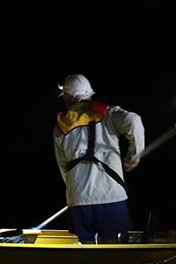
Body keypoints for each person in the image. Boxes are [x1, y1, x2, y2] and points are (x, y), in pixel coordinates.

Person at [53, 74, 145, 243]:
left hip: (78, 199)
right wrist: (134, 156)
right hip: (111, 197)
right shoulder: (108, 114)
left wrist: (75, 190)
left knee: (85, 253)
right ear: (89, 94)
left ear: (67, 98)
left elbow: (62, 166)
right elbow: (134, 120)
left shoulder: (60, 126)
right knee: (117, 250)